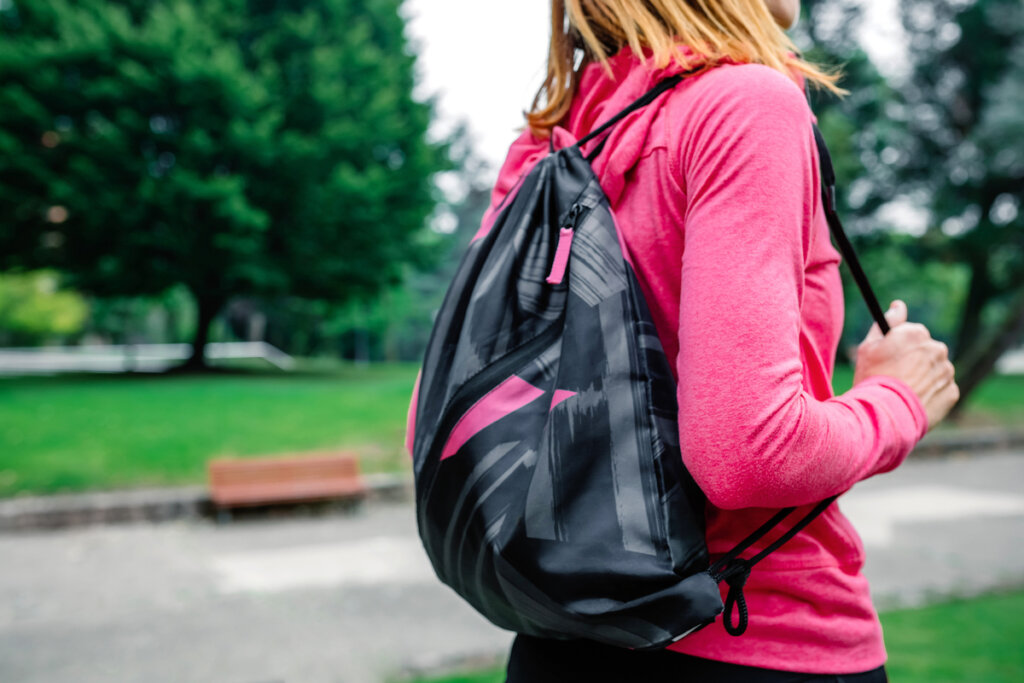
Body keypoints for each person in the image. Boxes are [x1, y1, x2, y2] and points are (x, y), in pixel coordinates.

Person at [486, 1, 961, 681]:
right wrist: (898, 399)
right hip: (753, 631)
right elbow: (748, 454)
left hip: (556, 637)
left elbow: (443, 422)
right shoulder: (742, 103)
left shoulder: (549, 145)